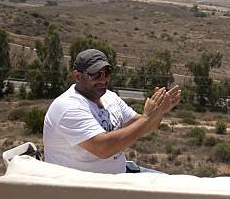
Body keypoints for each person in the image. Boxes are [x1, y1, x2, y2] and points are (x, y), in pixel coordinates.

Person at [43, 49, 180, 174]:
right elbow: (104, 148)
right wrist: (147, 117)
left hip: (117, 177)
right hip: (86, 188)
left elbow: (144, 128)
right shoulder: (68, 107)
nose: (103, 79)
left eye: (107, 73)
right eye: (96, 74)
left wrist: (158, 112)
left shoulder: (110, 97)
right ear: (77, 76)